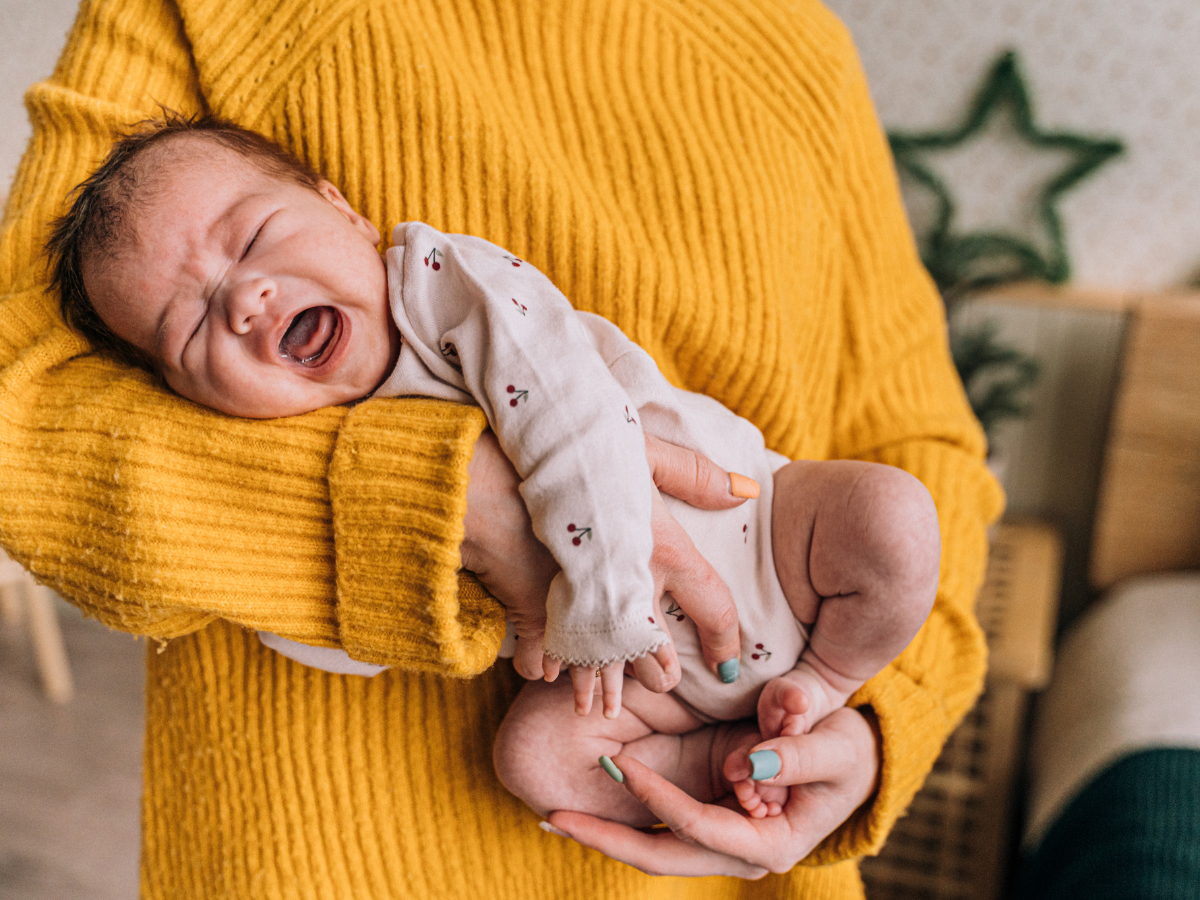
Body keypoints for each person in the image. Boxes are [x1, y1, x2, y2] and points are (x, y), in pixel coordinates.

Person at [0, 0, 1003, 896]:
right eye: (192, 329)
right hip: (343, 857)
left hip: (741, 804)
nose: (246, 300)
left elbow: (927, 449)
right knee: (540, 755)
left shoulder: (798, 53)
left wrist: (866, 725)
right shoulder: (215, 13)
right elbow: (22, 420)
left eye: (256, 241)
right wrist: (458, 501)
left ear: (337, 207)